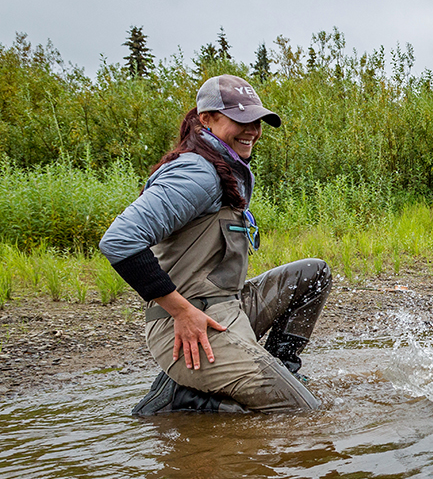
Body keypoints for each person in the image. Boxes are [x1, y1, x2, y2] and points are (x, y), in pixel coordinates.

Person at [100, 74, 332, 414]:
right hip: (188, 323)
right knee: (301, 413)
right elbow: (119, 241)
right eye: (240, 120)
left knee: (313, 274)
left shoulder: (224, 166)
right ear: (206, 119)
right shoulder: (197, 173)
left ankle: (284, 370)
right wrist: (181, 311)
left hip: (227, 308)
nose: (252, 129)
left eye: (256, 120)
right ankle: (187, 400)